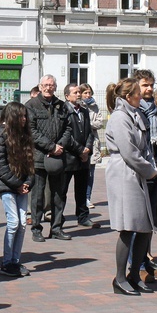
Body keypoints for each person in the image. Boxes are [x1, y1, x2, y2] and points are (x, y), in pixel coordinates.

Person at [105, 78, 157, 296]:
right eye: (138, 92)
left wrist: (152, 167)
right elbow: (129, 152)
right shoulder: (119, 117)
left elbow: (145, 147)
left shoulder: (136, 114)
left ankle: (135, 274)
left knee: (144, 226)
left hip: (138, 172)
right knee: (128, 226)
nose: (143, 94)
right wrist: (151, 171)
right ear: (128, 97)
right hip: (124, 173)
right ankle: (119, 278)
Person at [27, 74, 75, 242]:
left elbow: (69, 127)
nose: (48, 88)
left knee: (58, 195)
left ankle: (56, 228)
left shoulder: (62, 106)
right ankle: (36, 228)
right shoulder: (31, 105)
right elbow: (31, 130)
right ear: (40, 87)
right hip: (39, 157)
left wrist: (59, 146)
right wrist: (50, 146)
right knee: (38, 196)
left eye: (51, 85)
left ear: (55, 87)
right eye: (45, 85)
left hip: (58, 157)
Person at [134, 70, 157, 279]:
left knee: (150, 222)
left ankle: (146, 259)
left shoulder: (154, 111)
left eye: (151, 85)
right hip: (141, 174)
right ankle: (137, 266)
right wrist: (148, 170)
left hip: (156, 172)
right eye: (145, 85)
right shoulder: (134, 110)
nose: (149, 89)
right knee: (138, 222)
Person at [0, 102, 34, 277]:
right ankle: (7, 262)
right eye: (21, 116)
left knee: (22, 223)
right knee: (14, 222)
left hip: (21, 186)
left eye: (25, 116)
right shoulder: (1, 135)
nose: (24, 119)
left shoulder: (24, 135)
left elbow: (31, 162)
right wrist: (16, 184)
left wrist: (28, 183)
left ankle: (15, 261)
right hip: (8, 186)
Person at [62, 83, 94, 227]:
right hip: (69, 157)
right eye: (75, 92)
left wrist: (87, 149)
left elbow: (90, 132)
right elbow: (65, 135)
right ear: (67, 96)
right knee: (62, 191)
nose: (79, 94)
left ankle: (83, 216)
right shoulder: (63, 110)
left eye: (79, 92)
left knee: (81, 190)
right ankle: (58, 219)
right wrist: (80, 150)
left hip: (83, 159)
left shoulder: (84, 111)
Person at [79, 83, 102, 210]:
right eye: (85, 93)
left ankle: (87, 197)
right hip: (80, 142)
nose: (88, 95)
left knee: (90, 174)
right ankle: (81, 199)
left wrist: (88, 123)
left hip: (93, 141)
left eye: (89, 92)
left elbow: (99, 123)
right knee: (80, 173)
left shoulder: (95, 107)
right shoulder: (78, 106)